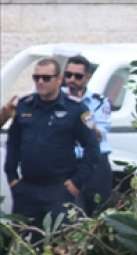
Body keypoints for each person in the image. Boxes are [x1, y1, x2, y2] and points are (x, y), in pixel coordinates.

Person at [4, 58, 98, 242]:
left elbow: (92, 148)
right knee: (18, 245)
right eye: (36, 77)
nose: (40, 82)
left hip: (59, 190)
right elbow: (13, 143)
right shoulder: (24, 105)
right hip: (27, 190)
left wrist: (76, 182)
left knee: (58, 245)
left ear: (58, 79)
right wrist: (12, 177)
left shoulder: (76, 110)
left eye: (46, 78)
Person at [63, 55, 113, 216]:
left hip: (95, 164)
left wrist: (80, 109)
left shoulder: (99, 102)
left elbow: (97, 134)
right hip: (68, 163)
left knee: (99, 213)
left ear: (88, 77)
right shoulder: (56, 100)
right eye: (68, 75)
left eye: (77, 76)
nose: (71, 80)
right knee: (70, 214)